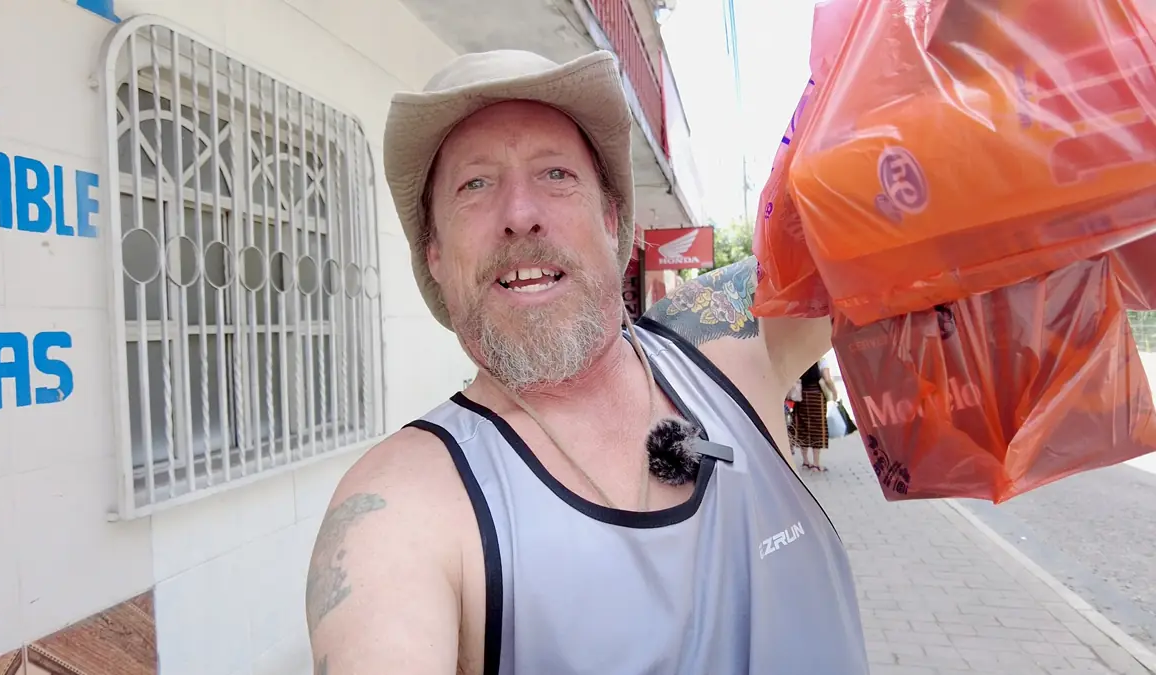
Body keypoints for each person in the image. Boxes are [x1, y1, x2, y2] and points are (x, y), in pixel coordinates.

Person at [305, 49, 868, 674]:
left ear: (611, 219)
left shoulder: (723, 340)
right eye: (475, 185)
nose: (521, 215)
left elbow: (903, 215)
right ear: (434, 254)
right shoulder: (402, 503)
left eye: (555, 174)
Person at [792, 358, 839, 472]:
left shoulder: (798, 359)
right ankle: (816, 464)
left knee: (803, 427)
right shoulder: (821, 360)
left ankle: (805, 461)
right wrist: (834, 392)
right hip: (816, 397)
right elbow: (827, 379)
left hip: (801, 396)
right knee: (817, 428)